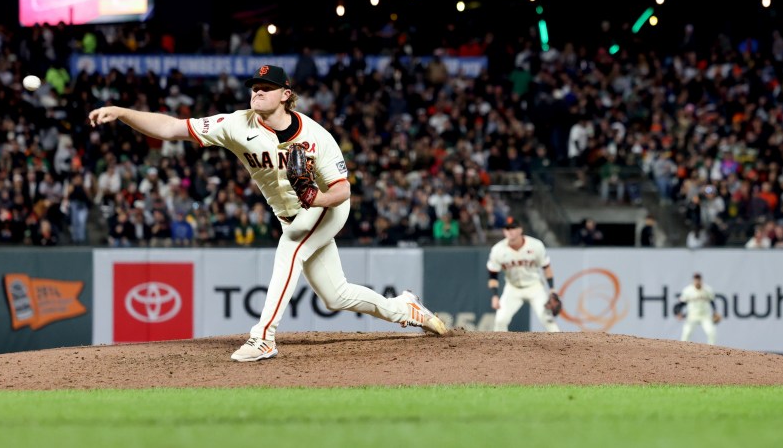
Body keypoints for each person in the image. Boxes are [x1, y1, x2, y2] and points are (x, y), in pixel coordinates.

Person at [88, 63, 448, 361]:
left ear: (286, 95)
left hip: (326, 208)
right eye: (254, 87)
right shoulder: (235, 124)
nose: (256, 93)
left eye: (266, 87)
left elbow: (342, 190)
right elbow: (171, 128)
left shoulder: (317, 137)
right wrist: (122, 113)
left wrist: (315, 200)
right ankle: (406, 308)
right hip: (292, 215)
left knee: (290, 246)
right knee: (335, 296)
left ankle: (264, 337)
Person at [486, 216, 560, 332]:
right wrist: (495, 296)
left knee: (548, 319)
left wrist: (552, 289)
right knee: (500, 320)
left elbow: (546, 268)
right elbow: (493, 275)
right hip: (513, 288)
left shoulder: (536, 245)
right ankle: (499, 350)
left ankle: (564, 348)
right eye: (507, 229)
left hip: (534, 287)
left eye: (513, 228)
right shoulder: (498, 250)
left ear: (520, 230)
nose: (510, 231)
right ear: (504, 231)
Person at [675, 272, 720, 345]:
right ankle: (682, 350)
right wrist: (678, 312)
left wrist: (715, 312)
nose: (697, 281)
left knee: (711, 332)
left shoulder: (707, 289)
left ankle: (712, 350)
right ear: (693, 280)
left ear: (701, 280)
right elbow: (681, 304)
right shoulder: (688, 290)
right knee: (686, 333)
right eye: (696, 279)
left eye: (699, 279)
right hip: (692, 316)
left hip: (705, 316)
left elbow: (712, 302)